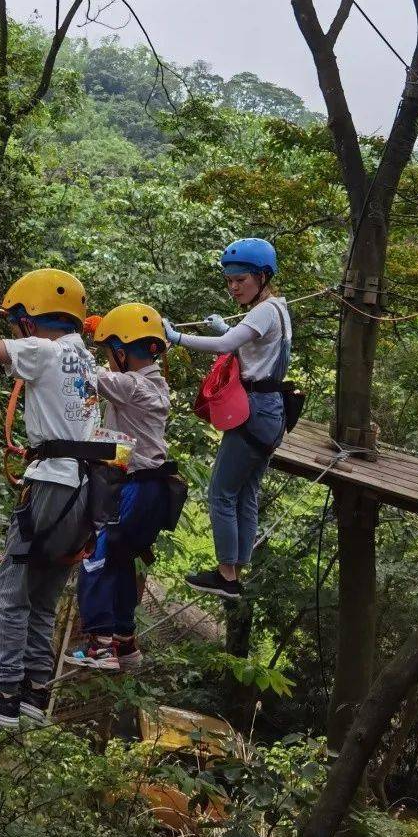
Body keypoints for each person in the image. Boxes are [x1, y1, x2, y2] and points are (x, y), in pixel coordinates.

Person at [0, 269, 101, 729]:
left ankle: (3, 688)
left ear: (30, 320)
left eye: (18, 321)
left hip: (52, 483)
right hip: (86, 491)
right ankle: (35, 687)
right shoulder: (88, 360)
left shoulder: (43, 350)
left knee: (12, 588)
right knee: (43, 593)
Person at [164, 238, 291, 601]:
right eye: (229, 280)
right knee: (245, 491)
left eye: (241, 280)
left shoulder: (263, 311)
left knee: (220, 491)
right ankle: (237, 566)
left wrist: (177, 337)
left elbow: (226, 348)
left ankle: (226, 575)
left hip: (255, 411)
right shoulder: (278, 308)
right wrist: (225, 328)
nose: (234, 286)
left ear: (263, 277)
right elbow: (250, 346)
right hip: (272, 412)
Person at [66, 304, 182, 673]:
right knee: (119, 557)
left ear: (121, 352)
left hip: (138, 489)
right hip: (150, 491)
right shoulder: (151, 384)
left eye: (110, 352)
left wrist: (77, 339)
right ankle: (125, 640)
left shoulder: (130, 384)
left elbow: (85, 373)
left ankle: (101, 643)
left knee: (97, 556)